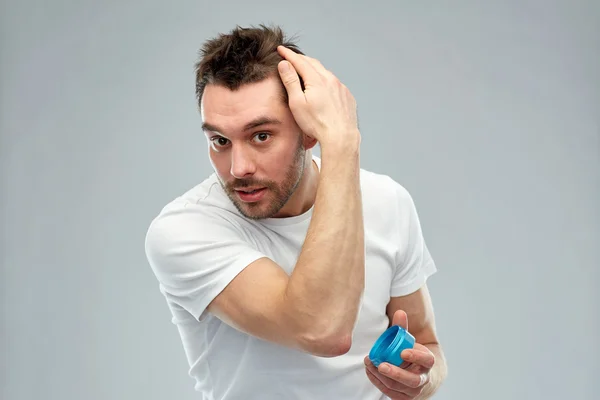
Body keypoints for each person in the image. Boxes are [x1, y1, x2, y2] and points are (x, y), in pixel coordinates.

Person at [144, 24, 448, 400]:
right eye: (220, 140)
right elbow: (321, 331)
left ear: (308, 131)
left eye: (261, 136)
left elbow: (427, 344)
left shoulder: (387, 200)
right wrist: (343, 141)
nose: (238, 167)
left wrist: (420, 381)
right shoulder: (184, 230)